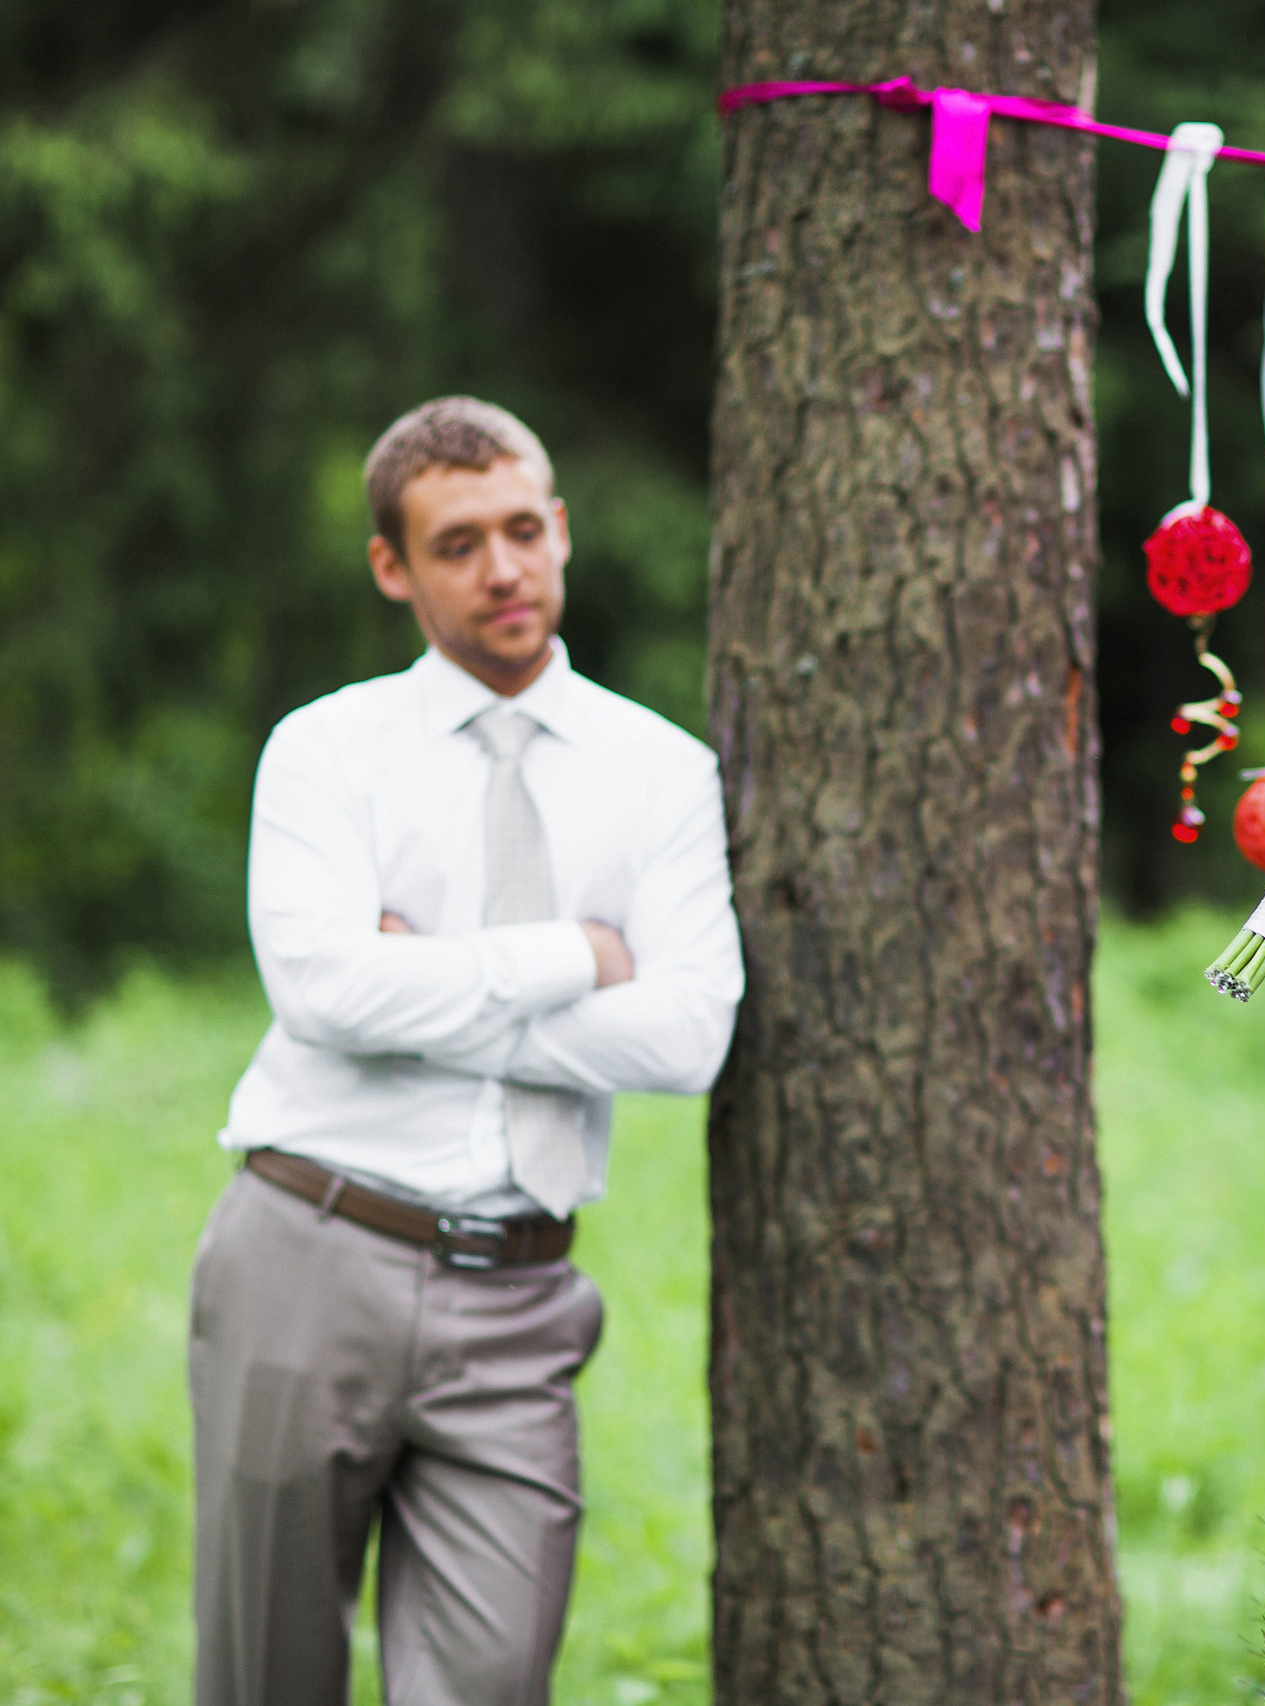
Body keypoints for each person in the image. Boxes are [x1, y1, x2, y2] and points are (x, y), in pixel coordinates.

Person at [190, 396, 742, 1705]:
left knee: (489, 1685)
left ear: (559, 528)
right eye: (456, 543)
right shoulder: (327, 750)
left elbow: (689, 1033)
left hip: (518, 1300)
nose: (501, 568)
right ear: (393, 566)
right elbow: (323, 990)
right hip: (307, 1255)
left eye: (520, 529)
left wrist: (420, 970)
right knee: (265, 1679)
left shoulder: (660, 772)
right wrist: (576, 951)